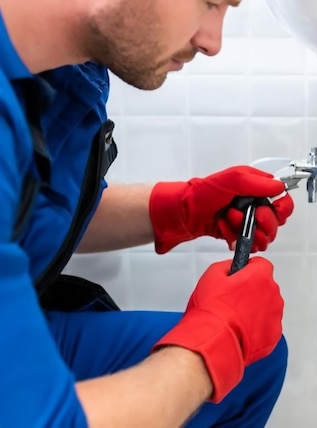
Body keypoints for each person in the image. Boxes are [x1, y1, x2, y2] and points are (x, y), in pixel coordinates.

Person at [0, 0, 296, 426]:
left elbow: (27, 216)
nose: (212, 42)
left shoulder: (70, 70)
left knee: (254, 362)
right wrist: (213, 344)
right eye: (210, 3)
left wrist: (182, 208)